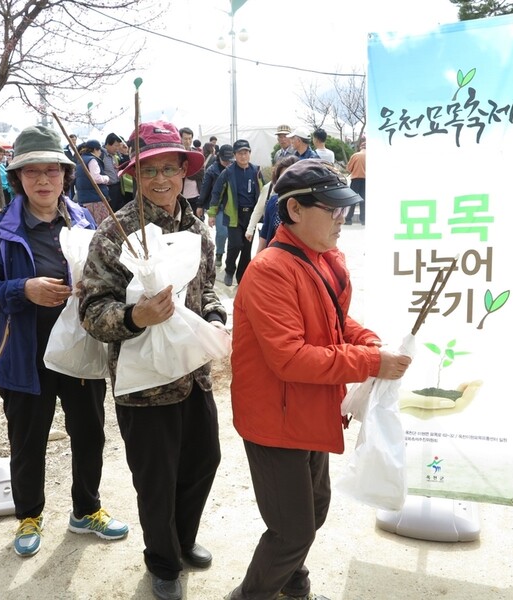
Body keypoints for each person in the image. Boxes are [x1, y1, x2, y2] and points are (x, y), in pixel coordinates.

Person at [225, 159, 411, 600]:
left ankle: (293, 588)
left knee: (314, 510)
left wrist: (367, 341)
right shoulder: (271, 269)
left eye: (345, 209)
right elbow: (290, 357)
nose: (342, 219)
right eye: (333, 210)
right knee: (292, 530)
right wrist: (370, 362)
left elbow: (334, 322)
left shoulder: (323, 259)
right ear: (294, 210)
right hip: (274, 419)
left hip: (309, 408)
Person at [80, 120, 225, 600]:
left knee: (204, 460)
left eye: (169, 168)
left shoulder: (197, 228)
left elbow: (207, 290)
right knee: (156, 479)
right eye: (149, 171)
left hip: (194, 373)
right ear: (133, 177)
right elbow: (91, 311)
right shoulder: (114, 232)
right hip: (144, 386)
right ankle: (163, 561)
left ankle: (183, 538)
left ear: (185, 170)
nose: (161, 179)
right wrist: (135, 316)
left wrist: (215, 318)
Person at [0, 125, 128, 559]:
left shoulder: (83, 220)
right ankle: (29, 515)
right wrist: (23, 289)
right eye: (32, 171)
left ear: (65, 174)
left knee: (89, 433)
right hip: (24, 353)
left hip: (79, 348)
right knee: (28, 440)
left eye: (52, 170)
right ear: (17, 178)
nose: (43, 180)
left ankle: (87, 509)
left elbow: (108, 274)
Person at [208, 139, 265, 286]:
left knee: (247, 248)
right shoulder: (228, 172)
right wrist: (212, 214)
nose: (243, 156)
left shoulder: (256, 171)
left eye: (246, 153)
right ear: (235, 155)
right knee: (235, 244)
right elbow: (217, 192)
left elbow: (264, 191)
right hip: (234, 215)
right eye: (240, 153)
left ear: (250, 153)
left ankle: (242, 276)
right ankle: (229, 270)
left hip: (251, 216)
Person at [200, 143, 234, 267]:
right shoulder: (212, 170)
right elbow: (205, 188)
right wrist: (200, 205)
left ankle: (230, 258)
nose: (227, 163)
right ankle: (219, 253)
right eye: (225, 160)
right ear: (219, 157)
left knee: (234, 235)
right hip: (218, 206)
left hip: (234, 206)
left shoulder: (236, 168)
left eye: (229, 160)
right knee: (222, 232)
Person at [74, 139, 111, 224]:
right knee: (101, 224)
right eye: (99, 150)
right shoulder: (92, 160)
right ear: (95, 149)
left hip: (85, 198)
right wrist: (106, 178)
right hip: (95, 198)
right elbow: (96, 178)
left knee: (90, 223)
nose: (100, 152)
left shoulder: (81, 159)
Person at [180, 126, 204, 216]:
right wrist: (193, 170)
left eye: (190, 139)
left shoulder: (196, 154)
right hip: (181, 196)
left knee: (198, 220)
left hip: (196, 195)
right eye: (185, 139)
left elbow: (201, 173)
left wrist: (186, 172)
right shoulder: (177, 154)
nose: (188, 141)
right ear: (180, 139)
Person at [345, 140, 366, 225]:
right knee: (364, 200)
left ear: (361, 147)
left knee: (352, 199)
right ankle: (363, 220)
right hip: (366, 180)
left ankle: (348, 219)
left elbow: (349, 168)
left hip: (356, 180)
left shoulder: (356, 155)